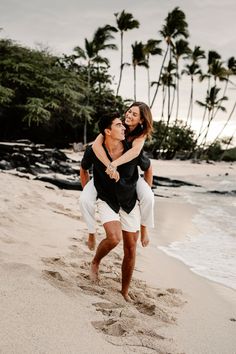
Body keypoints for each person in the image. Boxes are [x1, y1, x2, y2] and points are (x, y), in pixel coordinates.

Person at [79, 112, 152, 301]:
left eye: (123, 124)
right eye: (119, 125)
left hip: (129, 201)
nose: (124, 128)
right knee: (113, 238)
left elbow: (148, 167)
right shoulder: (94, 149)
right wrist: (88, 189)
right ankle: (96, 261)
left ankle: (124, 291)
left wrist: (146, 193)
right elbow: (83, 168)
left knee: (131, 248)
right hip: (107, 199)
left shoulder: (131, 149)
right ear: (107, 131)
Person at [79, 102, 154, 251]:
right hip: (104, 176)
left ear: (141, 120)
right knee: (85, 200)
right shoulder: (114, 126)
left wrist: (115, 165)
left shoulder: (140, 135)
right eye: (129, 111)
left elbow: (135, 153)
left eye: (134, 114)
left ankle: (144, 227)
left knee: (149, 198)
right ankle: (91, 232)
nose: (129, 115)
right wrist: (109, 165)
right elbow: (95, 146)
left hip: (131, 176)